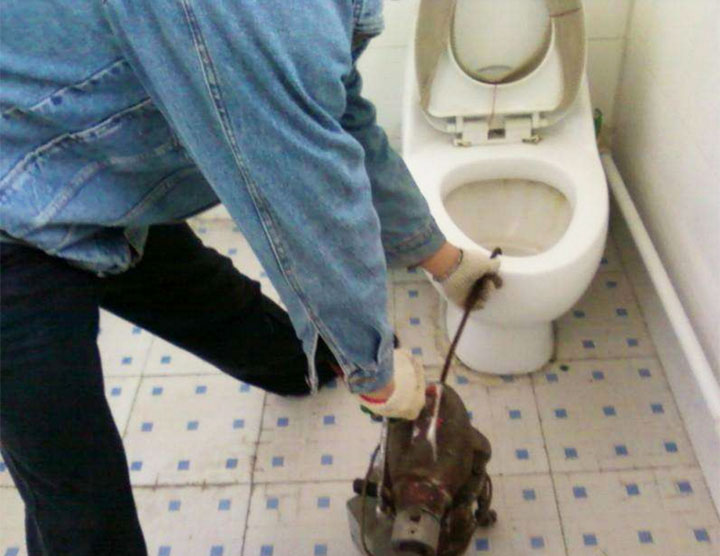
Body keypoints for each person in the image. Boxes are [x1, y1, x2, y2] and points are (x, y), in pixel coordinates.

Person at [0, 1, 501, 553]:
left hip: (88, 173)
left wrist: (441, 259)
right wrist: (373, 368)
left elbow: (337, 113)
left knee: (214, 303)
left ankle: (307, 364)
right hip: (11, 223)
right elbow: (300, 183)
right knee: (79, 496)